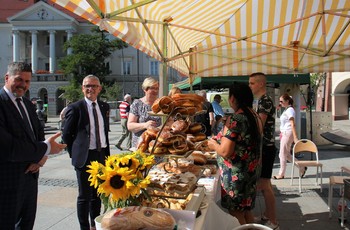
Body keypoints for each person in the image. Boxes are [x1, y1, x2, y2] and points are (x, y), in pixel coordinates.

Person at [0, 62, 66, 229]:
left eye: (27, 81)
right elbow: (8, 147)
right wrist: (46, 149)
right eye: (19, 79)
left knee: (27, 224)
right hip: (7, 181)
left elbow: (38, 135)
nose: (23, 85)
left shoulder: (28, 105)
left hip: (30, 177)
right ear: (7, 78)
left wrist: (41, 159)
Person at [208, 83, 262, 225]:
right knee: (246, 210)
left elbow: (225, 151)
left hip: (236, 175)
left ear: (232, 98)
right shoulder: (254, 115)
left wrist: (213, 144)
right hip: (250, 171)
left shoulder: (236, 119)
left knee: (236, 213)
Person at [62, 75, 110, 230]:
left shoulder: (104, 107)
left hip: (101, 154)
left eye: (94, 86)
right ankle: (84, 227)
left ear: (99, 89)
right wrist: (75, 154)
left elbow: (104, 132)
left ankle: (94, 224)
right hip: (85, 157)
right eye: (87, 86)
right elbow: (66, 135)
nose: (91, 89)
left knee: (97, 195)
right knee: (84, 196)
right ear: (82, 88)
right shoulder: (76, 108)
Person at [249, 72, 279, 229]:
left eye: (252, 83)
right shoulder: (261, 101)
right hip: (265, 147)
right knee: (266, 184)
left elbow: (259, 126)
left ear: (261, 84)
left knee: (265, 185)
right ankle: (268, 214)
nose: (250, 86)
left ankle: (273, 222)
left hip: (265, 148)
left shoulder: (264, 101)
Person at [273, 93, 306, 180]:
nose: (280, 103)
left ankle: (281, 174)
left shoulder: (290, 110)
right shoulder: (287, 110)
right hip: (285, 133)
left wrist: (295, 137)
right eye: (279, 101)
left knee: (282, 154)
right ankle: (302, 167)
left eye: (281, 101)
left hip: (288, 133)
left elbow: (292, 124)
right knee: (286, 155)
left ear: (287, 101)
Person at [127, 77, 161, 148]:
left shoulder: (161, 104)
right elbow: (130, 125)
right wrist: (145, 125)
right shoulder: (137, 104)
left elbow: (170, 121)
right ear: (145, 89)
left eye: (157, 88)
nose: (155, 91)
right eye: (152, 88)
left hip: (157, 145)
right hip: (141, 145)